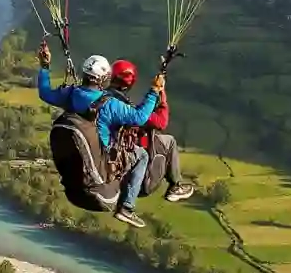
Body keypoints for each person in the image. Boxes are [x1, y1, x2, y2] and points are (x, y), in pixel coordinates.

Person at [37, 38, 164, 227]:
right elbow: (140, 117)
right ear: (104, 79)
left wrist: (45, 66)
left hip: (74, 190)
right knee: (142, 155)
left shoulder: (69, 94)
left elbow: (45, 92)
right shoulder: (110, 105)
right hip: (103, 190)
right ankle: (127, 208)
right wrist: (154, 91)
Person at [109, 59, 195, 202]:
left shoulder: (105, 101)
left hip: (115, 168)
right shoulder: (130, 112)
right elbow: (161, 122)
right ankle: (176, 185)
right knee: (169, 141)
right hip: (140, 177)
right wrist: (161, 94)